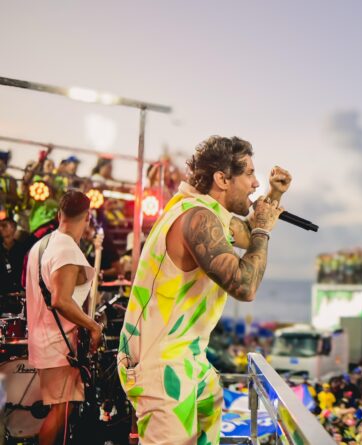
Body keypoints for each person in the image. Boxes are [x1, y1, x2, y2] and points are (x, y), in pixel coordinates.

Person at [117, 135, 291, 445]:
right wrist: (263, 229)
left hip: (187, 357)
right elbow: (245, 285)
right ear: (222, 179)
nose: (256, 184)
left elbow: (247, 234)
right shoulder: (196, 217)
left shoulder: (207, 213)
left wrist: (274, 195)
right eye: (249, 174)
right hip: (161, 362)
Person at [25, 190, 103, 445]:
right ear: (87, 217)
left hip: (45, 341)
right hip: (59, 346)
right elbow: (60, 300)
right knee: (61, 413)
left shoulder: (42, 245)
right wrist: (93, 326)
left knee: (60, 410)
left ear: (60, 214)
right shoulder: (66, 250)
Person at [0, 218, 25, 293]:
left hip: (18, 291)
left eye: (4, 225)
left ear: (13, 228)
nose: (0, 228)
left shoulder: (21, 248)